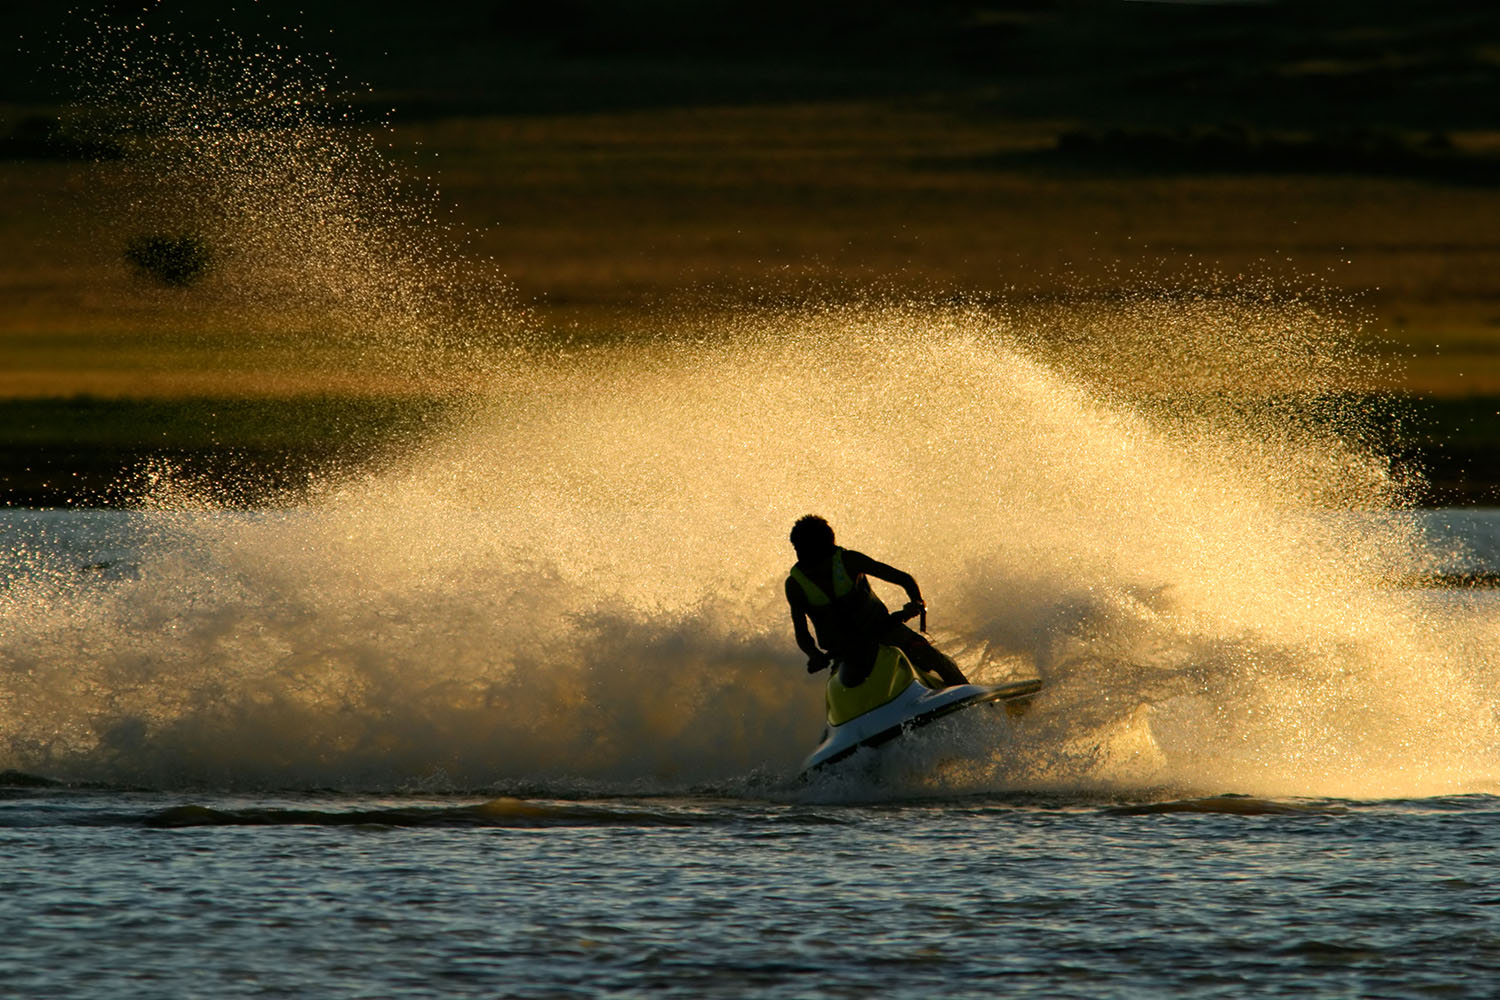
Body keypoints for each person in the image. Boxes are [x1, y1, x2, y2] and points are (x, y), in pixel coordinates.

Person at [785, 515, 969, 688]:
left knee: (931, 656)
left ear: (822, 546)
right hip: (845, 654)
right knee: (836, 688)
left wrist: (916, 603)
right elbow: (802, 634)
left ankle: (970, 694)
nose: (799, 555)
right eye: (797, 549)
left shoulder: (849, 561)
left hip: (887, 633)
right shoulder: (795, 585)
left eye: (802, 549)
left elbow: (904, 579)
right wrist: (814, 654)